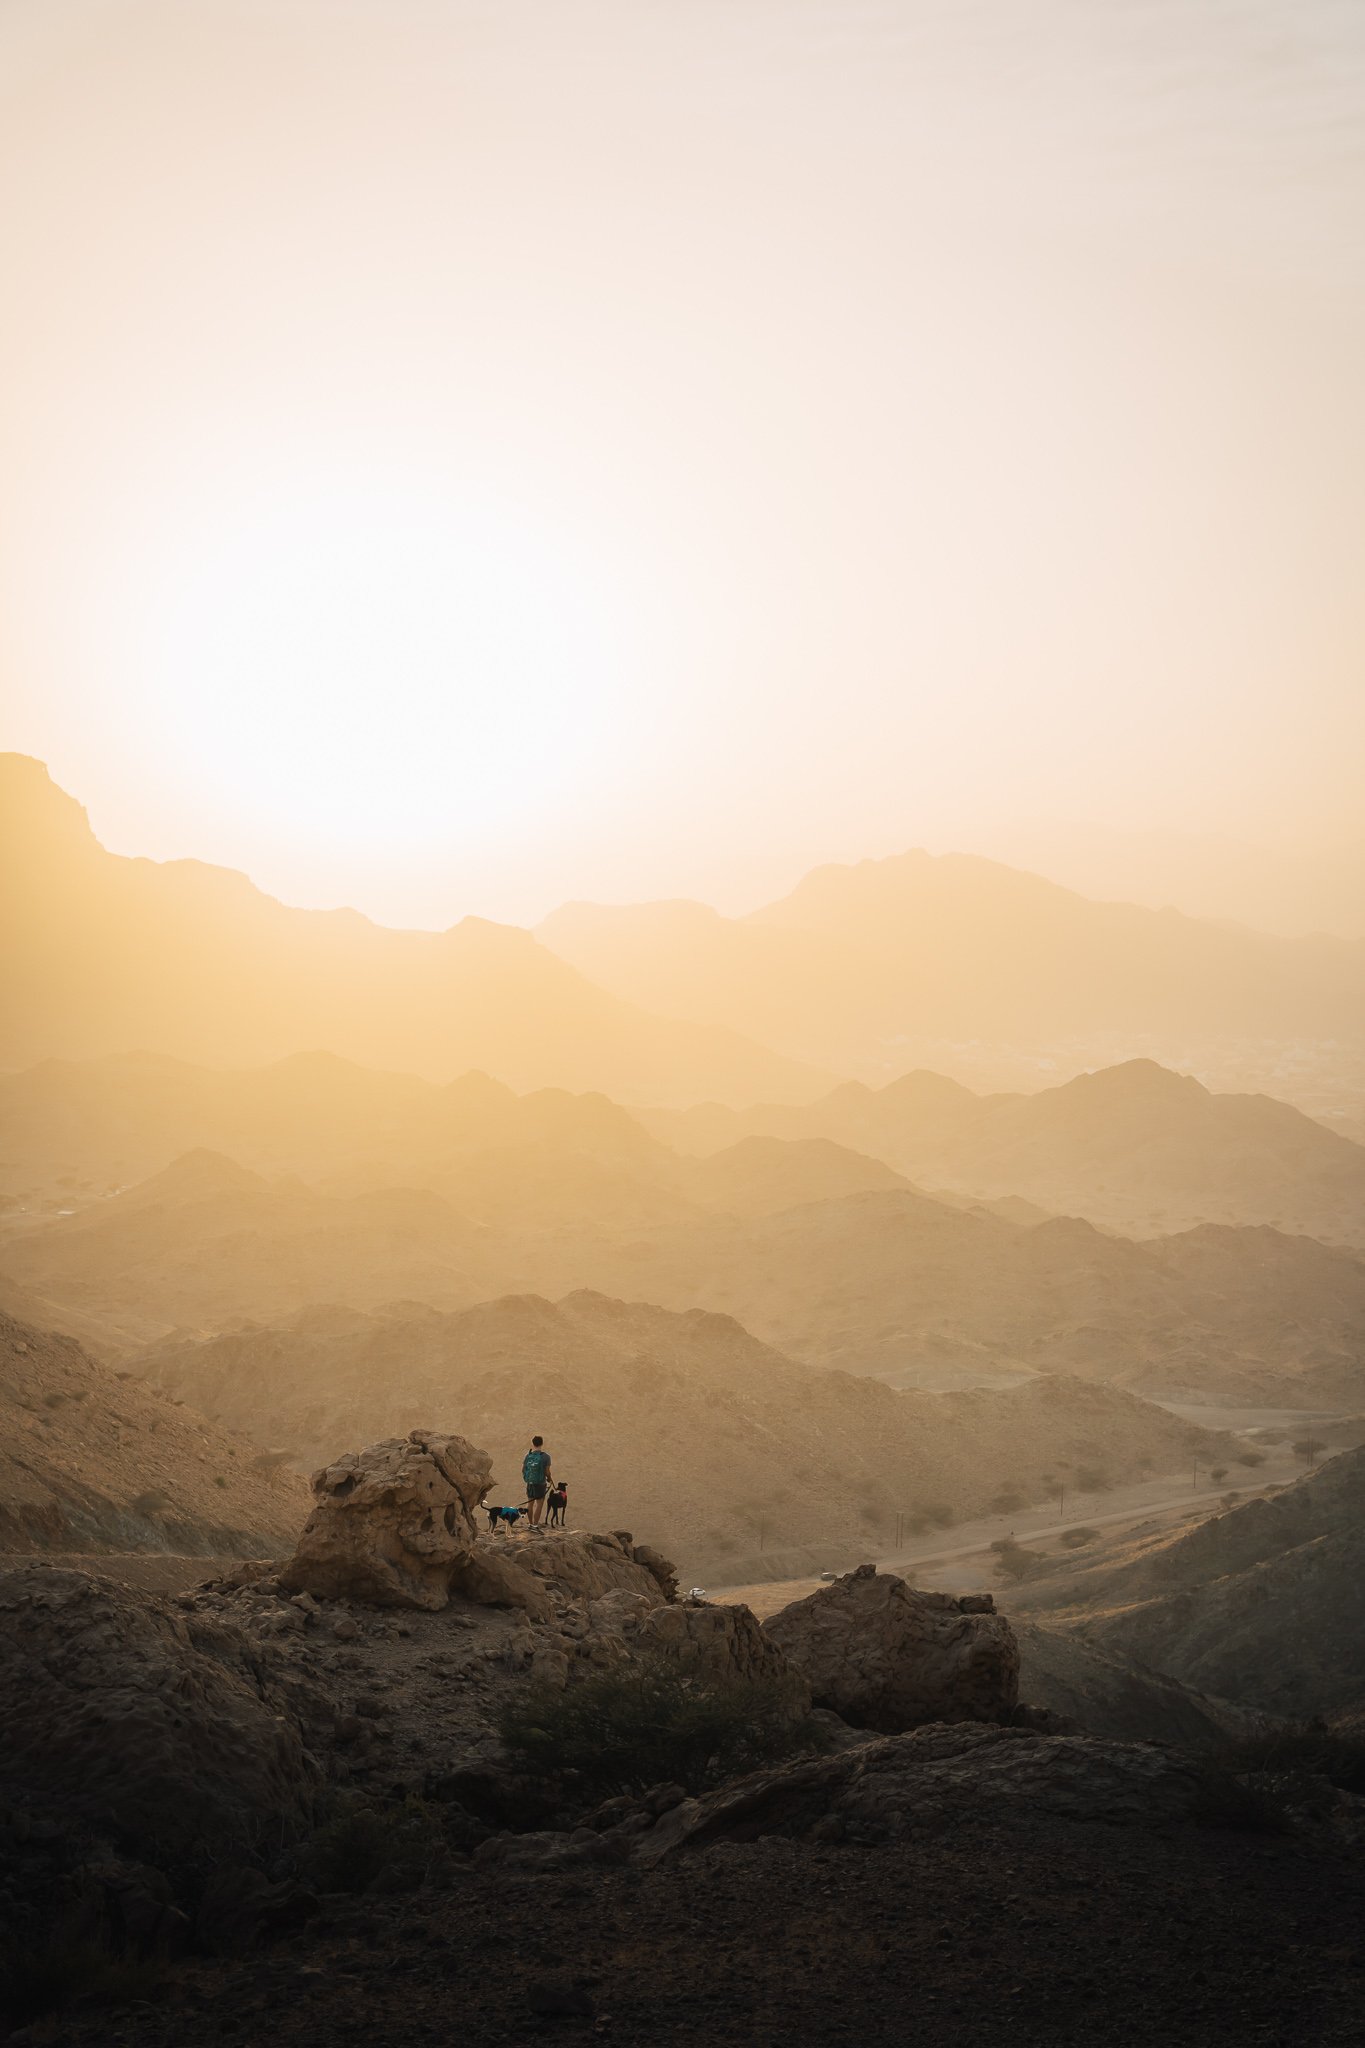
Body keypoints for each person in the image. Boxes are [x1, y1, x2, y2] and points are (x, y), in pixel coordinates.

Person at [522, 1435, 553, 1527]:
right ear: (542, 1443)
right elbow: (547, 1472)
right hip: (540, 1483)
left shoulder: (528, 1455)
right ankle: (535, 1525)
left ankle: (530, 1523)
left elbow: (523, 1469)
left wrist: (528, 1477)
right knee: (539, 1504)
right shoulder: (546, 1457)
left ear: (533, 1443)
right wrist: (549, 1479)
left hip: (530, 1482)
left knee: (530, 1503)